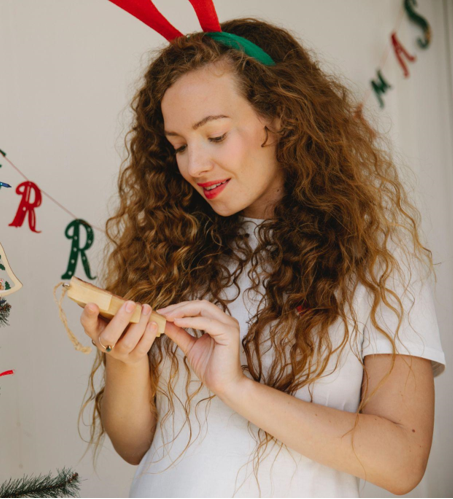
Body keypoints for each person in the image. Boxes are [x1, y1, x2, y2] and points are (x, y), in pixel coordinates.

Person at [76, 12, 447, 499]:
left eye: (215, 136)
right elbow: (136, 445)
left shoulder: (374, 257)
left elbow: (402, 463)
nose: (194, 165)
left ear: (282, 117)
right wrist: (122, 358)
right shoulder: (170, 247)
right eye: (178, 145)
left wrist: (237, 387)